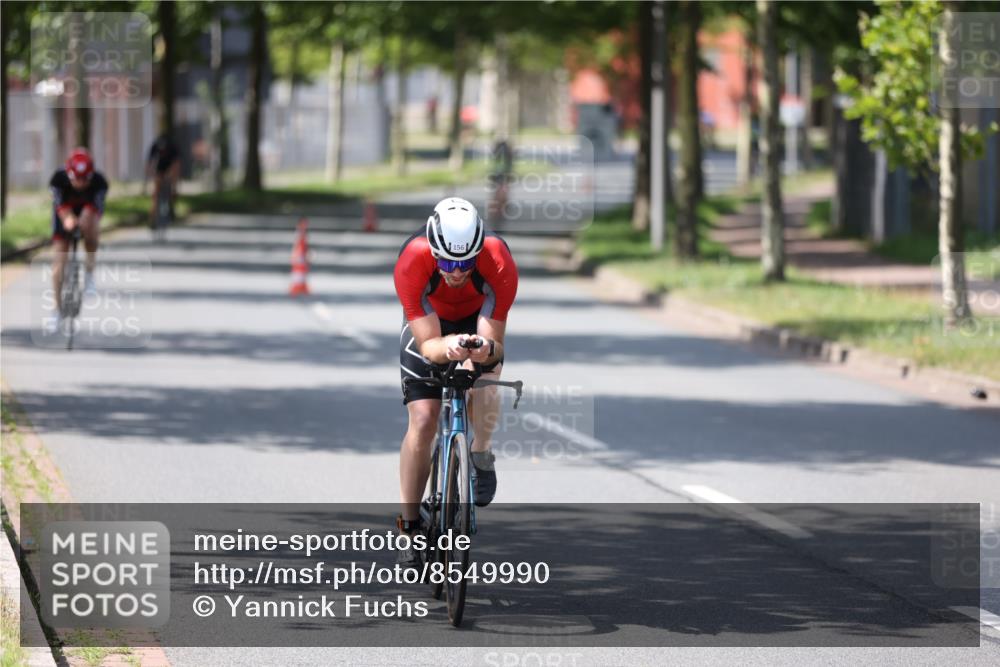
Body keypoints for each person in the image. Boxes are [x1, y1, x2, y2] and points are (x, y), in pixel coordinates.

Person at [393, 197, 519, 565]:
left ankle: (480, 452)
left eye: (466, 263)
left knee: (486, 380)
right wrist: (448, 347)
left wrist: (482, 351)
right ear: (434, 251)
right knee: (423, 418)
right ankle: (409, 526)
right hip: (431, 326)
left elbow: (494, 347)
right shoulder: (412, 260)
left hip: (477, 319)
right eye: (448, 263)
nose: (458, 272)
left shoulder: (498, 259)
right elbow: (429, 346)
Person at [47, 148, 108, 330]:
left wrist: (83, 220)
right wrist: (68, 219)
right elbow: (60, 207)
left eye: (84, 179)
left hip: (87, 211)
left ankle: (89, 274)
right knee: (59, 263)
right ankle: (56, 309)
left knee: (92, 228)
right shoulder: (58, 180)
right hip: (65, 211)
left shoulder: (99, 182)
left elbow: (94, 209)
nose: (80, 184)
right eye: (76, 179)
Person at [145, 133, 181, 227]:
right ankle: (153, 217)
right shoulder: (155, 146)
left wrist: (174, 184)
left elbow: (177, 164)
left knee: (173, 176)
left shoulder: (172, 147)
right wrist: (150, 178)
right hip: (160, 167)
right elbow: (149, 164)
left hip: (170, 166)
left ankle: (172, 205)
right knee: (156, 192)